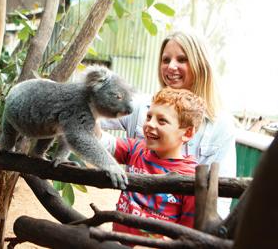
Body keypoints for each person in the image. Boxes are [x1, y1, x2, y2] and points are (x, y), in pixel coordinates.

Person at [101, 30, 236, 218]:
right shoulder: (142, 106)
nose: (171, 67)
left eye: (182, 60)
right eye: (166, 60)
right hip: (129, 223)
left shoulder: (221, 125)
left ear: (201, 65)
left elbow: (219, 200)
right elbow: (95, 117)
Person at [100, 87, 205, 239]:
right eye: (149, 117)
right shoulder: (136, 148)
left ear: (187, 133)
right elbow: (104, 142)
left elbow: (187, 236)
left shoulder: (191, 178)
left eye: (162, 121)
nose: (150, 124)